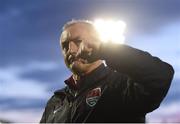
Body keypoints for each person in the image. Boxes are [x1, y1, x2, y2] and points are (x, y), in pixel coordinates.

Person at [40, 20, 174, 123]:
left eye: (78, 41)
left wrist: (107, 51)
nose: (71, 50)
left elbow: (160, 75)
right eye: (65, 45)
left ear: (98, 44)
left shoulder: (122, 84)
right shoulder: (56, 101)